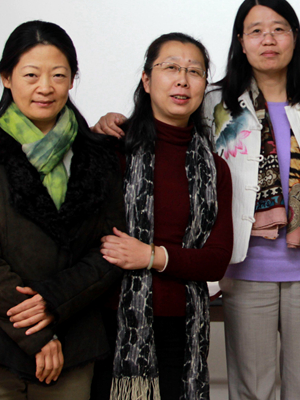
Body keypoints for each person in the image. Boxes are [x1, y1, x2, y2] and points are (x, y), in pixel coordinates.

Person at [93, 0, 300, 400]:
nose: (268, 39)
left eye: (279, 29)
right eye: (256, 31)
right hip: (243, 265)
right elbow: (168, 132)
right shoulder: (215, 100)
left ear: (295, 36)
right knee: (252, 389)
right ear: (241, 41)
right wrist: (110, 121)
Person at [0, 20, 126, 399]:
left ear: (72, 80)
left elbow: (110, 249)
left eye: (58, 75)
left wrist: (53, 301)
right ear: (7, 78)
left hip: (72, 341)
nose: (45, 87)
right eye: (30, 74)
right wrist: (36, 334)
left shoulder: (100, 155)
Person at [96, 33, 233, 399]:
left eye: (194, 71)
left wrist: (151, 256)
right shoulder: (112, 149)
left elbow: (215, 260)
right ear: (146, 79)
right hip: (113, 322)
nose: (182, 80)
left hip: (182, 326)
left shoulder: (215, 168)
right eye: (171, 67)